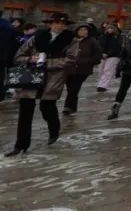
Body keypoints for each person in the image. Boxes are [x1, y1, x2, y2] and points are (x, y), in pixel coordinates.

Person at [5, 12, 76, 156]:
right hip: (32, 76)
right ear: (50, 24)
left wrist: (47, 62)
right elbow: (19, 56)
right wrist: (31, 59)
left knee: (47, 107)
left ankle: (54, 129)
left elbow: (71, 60)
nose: (59, 25)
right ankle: (21, 145)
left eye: (62, 23)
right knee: (25, 112)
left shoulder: (71, 40)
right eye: (56, 22)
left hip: (53, 78)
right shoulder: (37, 37)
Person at [62, 23, 103, 114]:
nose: (83, 31)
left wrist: (88, 61)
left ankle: (67, 107)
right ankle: (73, 107)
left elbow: (98, 54)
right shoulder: (72, 40)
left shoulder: (92, 41)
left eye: (85, 30)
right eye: (81, 30)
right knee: (70, 88)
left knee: (74, 87)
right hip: (69, 68)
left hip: (83, 69)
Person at [95, 22, 124, 93]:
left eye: (112, 28)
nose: (110, 30)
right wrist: (102, 53)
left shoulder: (118, 37)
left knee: (108, 70)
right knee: (101, 70)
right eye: (109, 28)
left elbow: (116, 47)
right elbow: (99, 45)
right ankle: (100, 84)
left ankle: (103, 86)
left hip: (113, 55)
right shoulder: (102, 36)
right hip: (102, 55)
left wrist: (107, 53)